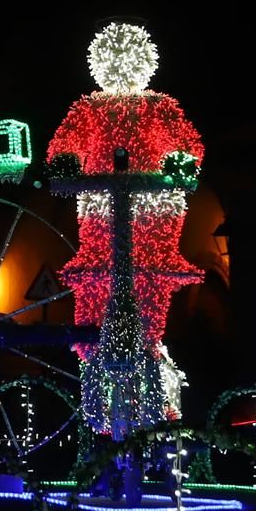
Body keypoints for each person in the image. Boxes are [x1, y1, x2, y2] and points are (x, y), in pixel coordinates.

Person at [46, 22, 205, 434]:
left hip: (151, 223)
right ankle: (99, 414)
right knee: (95, 317)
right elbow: (63, 146)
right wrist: (65, 163)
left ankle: (154, 409)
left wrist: (179, 164)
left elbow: (188, 147)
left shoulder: (158, 107)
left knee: (146, 318)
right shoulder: (88, 110)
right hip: (102, 222)